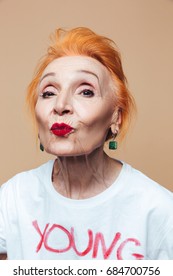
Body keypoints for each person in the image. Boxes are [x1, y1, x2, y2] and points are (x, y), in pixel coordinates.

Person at [0, 27, 173, 260]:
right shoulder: (13, 198)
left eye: (86, 91)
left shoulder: (160, 210)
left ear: (116, 116)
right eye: (49, 92)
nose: (61, 105)